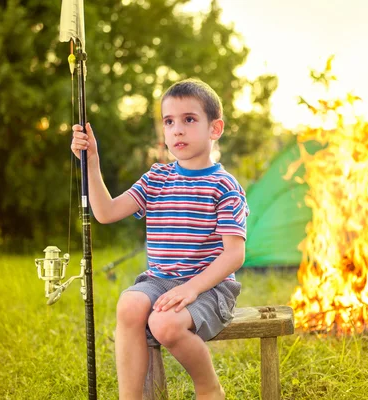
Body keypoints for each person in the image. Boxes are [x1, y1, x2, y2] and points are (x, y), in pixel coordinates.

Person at [71, 78, 249, 400]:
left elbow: (234, 255)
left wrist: (191, 288)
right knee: (129, 305)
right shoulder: (157, 178)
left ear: (215, 128)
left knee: (164, 324)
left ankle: (209, 388)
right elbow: (106, 212)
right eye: (169, 122)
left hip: (209, 287)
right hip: (160, 280)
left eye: (189, 120)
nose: (177, 130)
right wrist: (91, 161)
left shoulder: (224, 186)